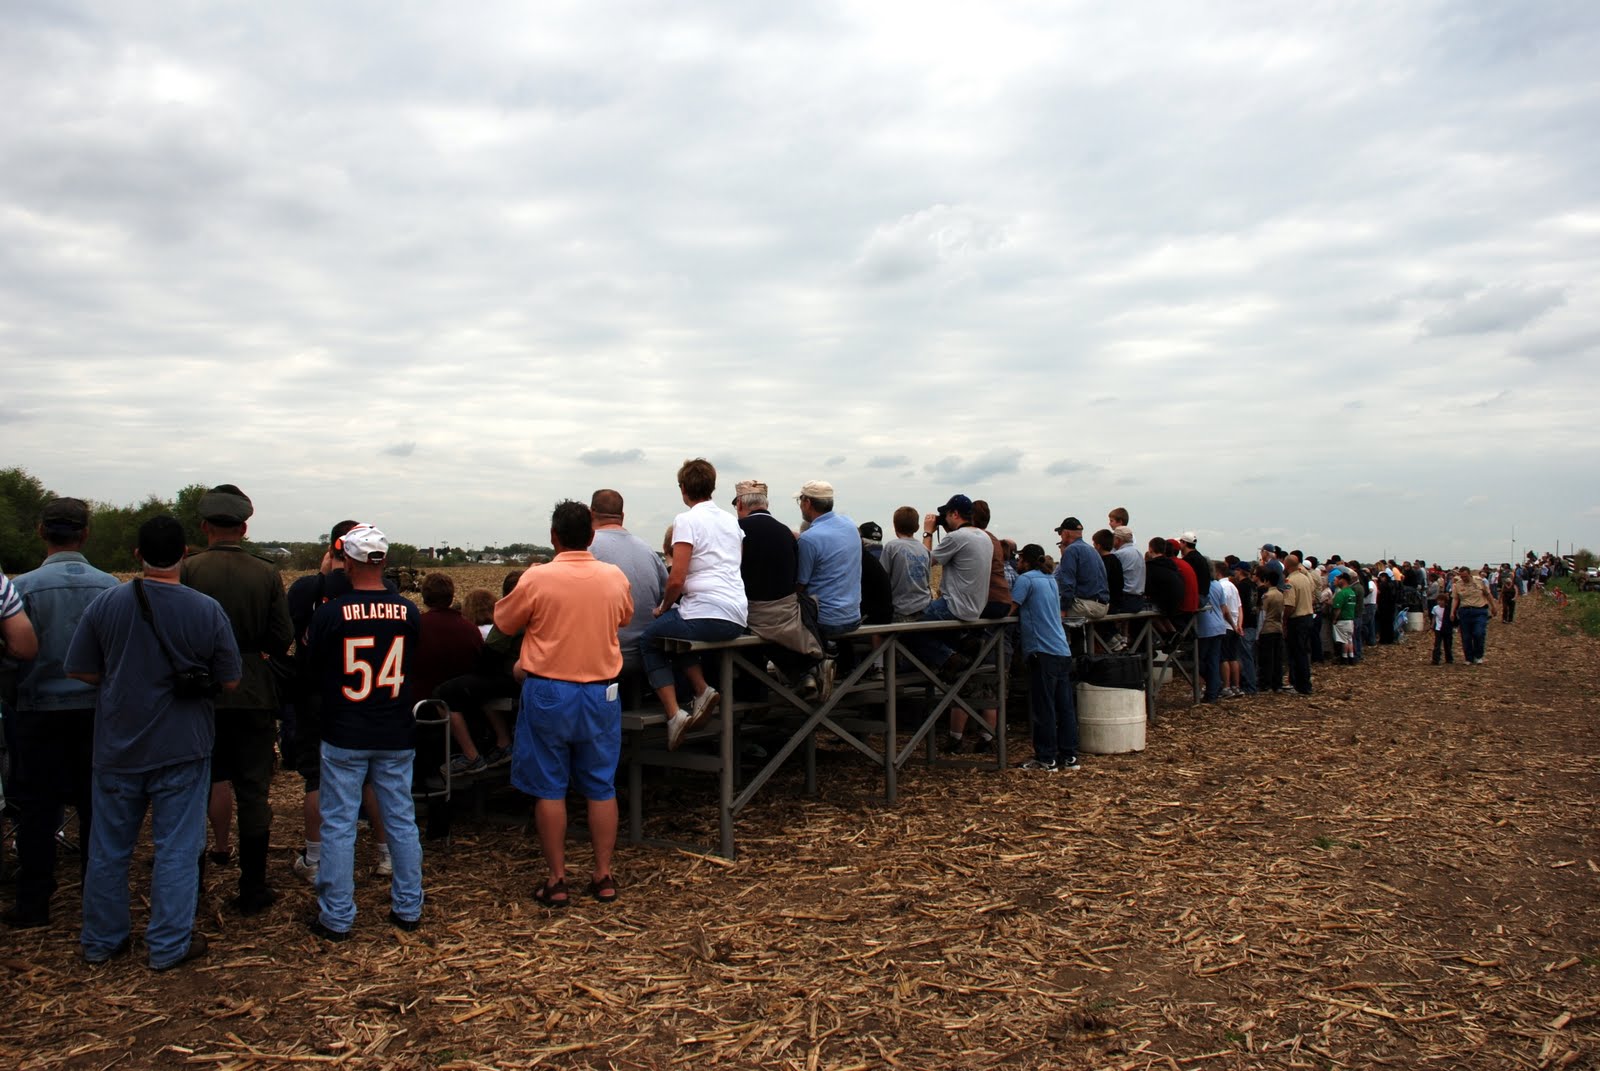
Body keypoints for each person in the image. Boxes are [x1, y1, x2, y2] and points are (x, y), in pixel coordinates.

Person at [65, 515, 242, 969]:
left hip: (118, 745)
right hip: (183, 745)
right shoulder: (206, 609)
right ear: (185, 553)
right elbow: (231, 681)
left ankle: (102, 941)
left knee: (108, 848)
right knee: (177, 848)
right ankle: (167, 946)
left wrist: (123, 681)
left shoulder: (106, 605)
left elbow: (80, 669)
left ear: (137, 555)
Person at [493, 501, 633, 908]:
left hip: (550, 690)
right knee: (601, 786)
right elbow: (625, 618)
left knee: (549, 788)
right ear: (591, 536)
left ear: (554, 537)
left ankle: (557, 879)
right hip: (601, 692)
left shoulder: (538, 578)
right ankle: (603, 875)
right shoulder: (613, 577)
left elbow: (503, 624)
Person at [179, 484, 294, 915]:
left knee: (193, 788)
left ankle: (190, 888)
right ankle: (253, 888)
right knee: (253, 792)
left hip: (198, 694)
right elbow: (282, 637)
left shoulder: (189, 570)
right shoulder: (265, 573)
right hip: (252, 690)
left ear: (205, 526)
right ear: (245, 527)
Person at [306, 524, 425, 939]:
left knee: (337, 823)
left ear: (349, 561)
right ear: (384, 561)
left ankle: (337, 916)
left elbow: (314, 669)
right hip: (394, 728)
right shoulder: (408, 611)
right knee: (401, 820)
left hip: (346, 729)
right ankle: (409, 907)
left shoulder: (330, 613)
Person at [6, 498, 116, 930]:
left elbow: (13, 657)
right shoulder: (110, 587)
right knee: (97, 806)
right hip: (95, 713)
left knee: (35, 808)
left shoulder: (22, 589)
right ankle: (97, 898)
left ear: (40, 531)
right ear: (85, 533)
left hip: (37, 711)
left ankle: (33, 902)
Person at [284, 520, 394, 884]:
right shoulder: (386, 592)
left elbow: (289, 633)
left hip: (318, 695)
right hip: (367, 695)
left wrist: (322, 574)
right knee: (372, 777)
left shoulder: (309, 590)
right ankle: (384, 853)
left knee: (316, 778)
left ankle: (315, 857)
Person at [636, 459, 747, 750]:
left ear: (683, 489)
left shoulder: (686, 520)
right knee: (672, 633)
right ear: (712, 486)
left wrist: (662, 607)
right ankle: (702, 689)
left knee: (651, 639)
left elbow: (677, 578)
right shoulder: (730, 521)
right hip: (736, 614)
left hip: (706, 612)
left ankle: (674, 714)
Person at [917, 494, 994, 752]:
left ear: (954, 514)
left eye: (946, 516)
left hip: (953, 606)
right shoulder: (984, 537)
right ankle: (958, 648)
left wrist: (928, 533)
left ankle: (950, 658)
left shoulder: (957, 537)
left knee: (911, 630)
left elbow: (925, 560)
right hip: (975, 610)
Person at [732, 479, 822, 691]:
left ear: (740, 505)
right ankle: (804, 671)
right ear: (767, 504)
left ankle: (749, 696)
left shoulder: (737, 530)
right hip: (787, 615)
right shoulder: (786, 532)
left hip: (752, 614)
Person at [1010, 544, 1079, 772]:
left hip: (1042, 650)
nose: (1017, 562)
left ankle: (1046, 757)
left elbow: (1011, 608)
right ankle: (1069, 756)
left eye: (1019, 559)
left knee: (1044, 706)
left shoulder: (1026, 580)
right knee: (1065, 706)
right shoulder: (1050, 579)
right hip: (1061, 649)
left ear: (1025, 560)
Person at [413, 573, 489, 776]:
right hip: (468, 715)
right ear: (451, 595)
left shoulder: (415, 627)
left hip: (421, 716)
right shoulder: (470, 629)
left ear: (425, 597)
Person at [589, 489, 667, 683]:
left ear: (591, 513)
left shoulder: (586, 549)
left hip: (601, 658)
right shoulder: (647, 550)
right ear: (622, 516)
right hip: (646, 655)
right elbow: (666, 596)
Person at [879, 506, 932, 621]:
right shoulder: (924, 549)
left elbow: (882, 577)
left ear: (894, 526)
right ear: (917, 528)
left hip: (900, 610)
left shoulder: (891, 547)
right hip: (925, 608)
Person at [1053, 518, 1109, 620]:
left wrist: (1063, 609)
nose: (1060, 536)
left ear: (1066, 533)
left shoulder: (1071, 550)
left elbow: (1068, 584)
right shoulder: (1092, 550)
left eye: (1060, 533)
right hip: (1102, 605)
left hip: (1086, 606)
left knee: (1048, 610)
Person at [1283, 554, 1316, 696]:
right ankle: (1304, 683)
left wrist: (1284, 621)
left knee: (1297, 653)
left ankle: (1300, 685)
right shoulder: (1305, 578)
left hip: (1297, 620)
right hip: (1308, 617)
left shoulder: (1290, 581)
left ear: (1287, 565)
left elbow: (1290, 605)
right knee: (1303, 652)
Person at [1451, 566, 1497, 665]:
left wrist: (1493, 607)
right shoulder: (1457, 584)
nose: (1464, 579)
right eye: (1462, 576)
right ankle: (1468, 658)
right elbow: (1455, 599)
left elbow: (1488, 594)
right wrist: (1452, 612)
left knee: (1478, 633)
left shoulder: (1480, 582)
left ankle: (1478, 655)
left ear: (1469, 574)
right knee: (1466, 636)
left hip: (1479, 610)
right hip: (1465, 611)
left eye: (1465, 576)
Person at [1255, 565, 1286, 691]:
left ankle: (1265, 683)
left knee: (1267, 658)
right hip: (1278, 627)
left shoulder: (1267, 596)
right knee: (1277, 658)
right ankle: (1277, 683)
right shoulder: (1280, 594)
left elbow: (1263, 615)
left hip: (1267, 629)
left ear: (1267, 581)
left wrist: (1258, 633)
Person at [1332, 573, 1360, 665]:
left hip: (1343, 619)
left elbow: (1337, 608)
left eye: (1338, 579)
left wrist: (1334, 619)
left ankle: (1344, 658)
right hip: (1350, 618)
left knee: (1343, 640)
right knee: (1349, 639)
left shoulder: (1341, 593)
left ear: (1343, 580)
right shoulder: (1351, 592)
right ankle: (1351, 657)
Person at [1431, 590, 1454, 665]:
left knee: (1447, 644)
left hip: (1447, 628)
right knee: (1437, 644)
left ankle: (1449, 658)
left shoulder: (1448, 608)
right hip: (1438, 628)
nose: (1440, 602)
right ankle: (1436, 659)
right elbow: (1434, 617)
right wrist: (1432, 625)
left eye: (1441, 601)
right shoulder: (1435, 608)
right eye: (1438, 600)